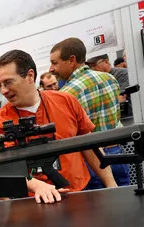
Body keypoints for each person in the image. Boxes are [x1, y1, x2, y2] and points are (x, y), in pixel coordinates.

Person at [0, 49, 98, 204]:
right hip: (36, 203)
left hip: (80, 192)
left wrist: (111, 184)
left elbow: (89, 144)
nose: (3, 91)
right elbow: (4, 169)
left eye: (8, 82)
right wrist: (36, 185)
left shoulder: (66, 101)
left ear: (30, 76)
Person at [49, 38, 122, 188]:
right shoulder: (110, 78)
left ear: (72, 60)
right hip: (118, 153)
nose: (51, 68)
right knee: (125, 200)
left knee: (97, 208)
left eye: (55, 62)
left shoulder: (67, 94)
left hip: (91, 159)